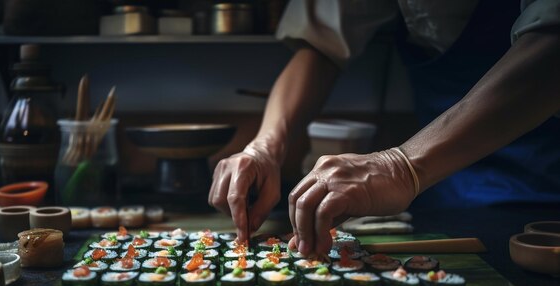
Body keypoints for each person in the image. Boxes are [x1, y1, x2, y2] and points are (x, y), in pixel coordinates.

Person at [209, 0, 560, 256]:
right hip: (437, 189)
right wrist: (265, 147)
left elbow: (551, 50)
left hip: (547, 188)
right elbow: (322, 42)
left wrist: (401, 166)